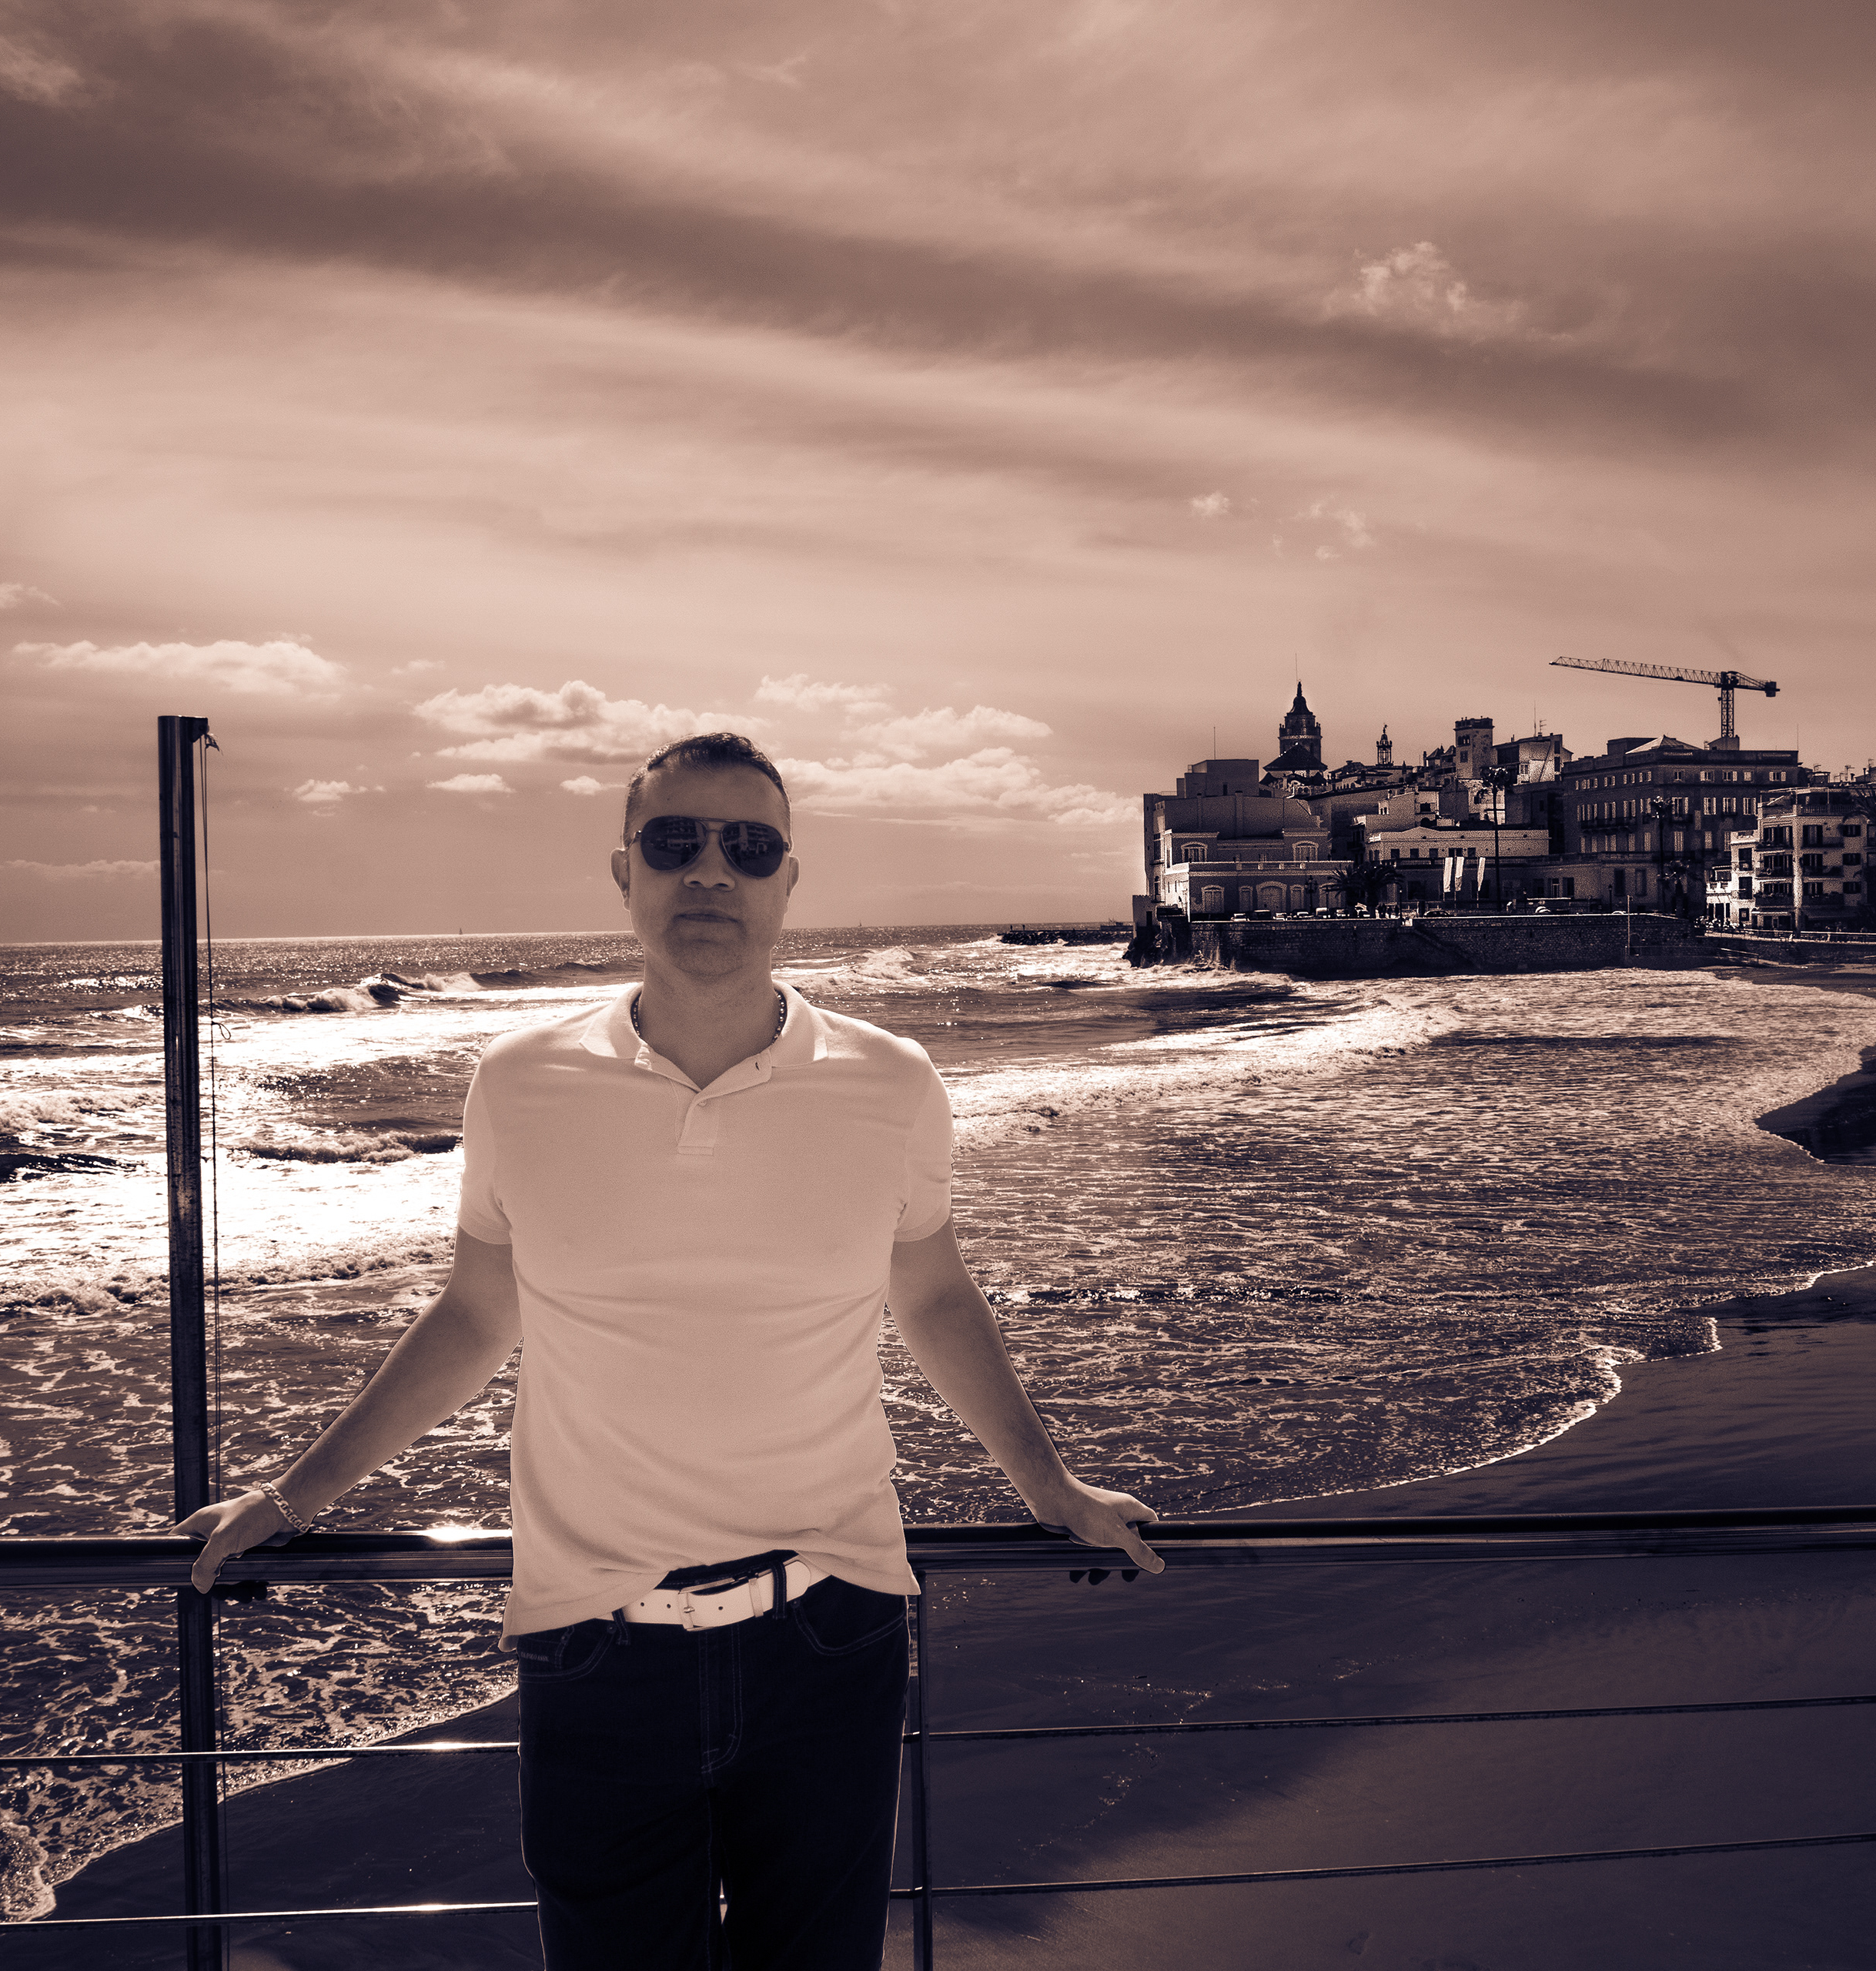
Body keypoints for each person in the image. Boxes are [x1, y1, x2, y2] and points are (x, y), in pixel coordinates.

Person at [176, 731, 1162, 1969]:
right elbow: (477, 1313)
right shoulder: (520, 1081)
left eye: (747, 847)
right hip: (596, 1642)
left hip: (832, 1629)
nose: (710, 872)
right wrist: (291, 1498)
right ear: (623, 872)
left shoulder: (890, 1081)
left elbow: (934, 1294)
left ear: (788, 881)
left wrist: (1050, 1488)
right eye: (674, 841)